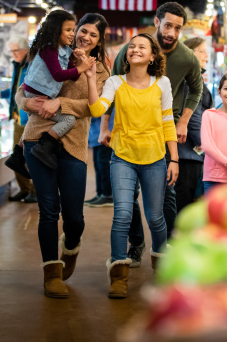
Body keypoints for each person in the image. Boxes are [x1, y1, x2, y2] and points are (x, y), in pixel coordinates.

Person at [99, 2, 202, 267]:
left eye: (178, 28)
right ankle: (135, 246)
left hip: (162, 136)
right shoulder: (132, 49)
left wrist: (184, 123)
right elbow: (113, 89)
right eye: (168, 25)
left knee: (163, 203)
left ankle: (164, 251)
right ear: (157, 22)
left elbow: (196, 89)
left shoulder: (186, 58)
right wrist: (104, 126)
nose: (172, 32)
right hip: (127, 139)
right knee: (127, 203)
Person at [16, 13, 110, 299]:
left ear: (99, 40)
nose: (85, 37)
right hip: (37, 137)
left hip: (74, 143)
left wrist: (61, 102)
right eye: (81, 31)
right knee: (47, 210)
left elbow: (93, 107)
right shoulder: (53, 52)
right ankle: (51, 273)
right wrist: (26, 101)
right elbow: (24, 88)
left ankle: (70, 245)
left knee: (74, 217)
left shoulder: (101, 72)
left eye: (93, 35)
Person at [87, 33, 178, 299]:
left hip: (154, 159)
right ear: (126, 54)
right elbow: (96, 110)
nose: (135, 49)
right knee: (122, 215)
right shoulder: (115, 82)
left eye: (142, 47)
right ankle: (118, 275)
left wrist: (174, 159)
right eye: (132, 46)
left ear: (152, 56)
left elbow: (167, 123)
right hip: (123, 157)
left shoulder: (162, 83)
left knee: (155, 217)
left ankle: (162, 268)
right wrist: (92, 79)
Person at [8, 9, 96, 172]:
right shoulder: (48, 49)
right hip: (35, 92)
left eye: (73, 30)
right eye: (68, 30)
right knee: (68, 120)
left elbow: (73, 76)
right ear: (56, 30)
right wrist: (82, 67)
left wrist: (78, 61)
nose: (72, 34)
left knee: (34, 120)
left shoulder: (65, 51)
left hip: (41, 93)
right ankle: (44, 147)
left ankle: (17, 156)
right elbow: (58, 75)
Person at [0, 37, 35, 203]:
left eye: (15, 51)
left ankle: (35, 191)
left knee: (31, 157)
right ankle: (24, 190)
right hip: (18, 119)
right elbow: (16, 88)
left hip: (30, 119)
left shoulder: (32, 65)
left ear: (25, 50)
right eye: (11, 51)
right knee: (17, 157)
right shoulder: (18, 65)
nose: (13, 54)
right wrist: (0, 94)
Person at [175, 37, 214, 212]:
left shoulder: (191, 77)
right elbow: (193, 119)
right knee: (185, 204)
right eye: (203, 51)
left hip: (188, 153)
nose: (206, 55)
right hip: (188, 154)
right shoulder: (191, 80)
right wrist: (208, 148)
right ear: (191, 53)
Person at [85, 116, 114, 207]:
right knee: (98, 164)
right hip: (95, 136)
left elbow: (96, 112)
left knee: (103, 164)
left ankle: (107, 195)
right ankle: (100, 194)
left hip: (105, 134)